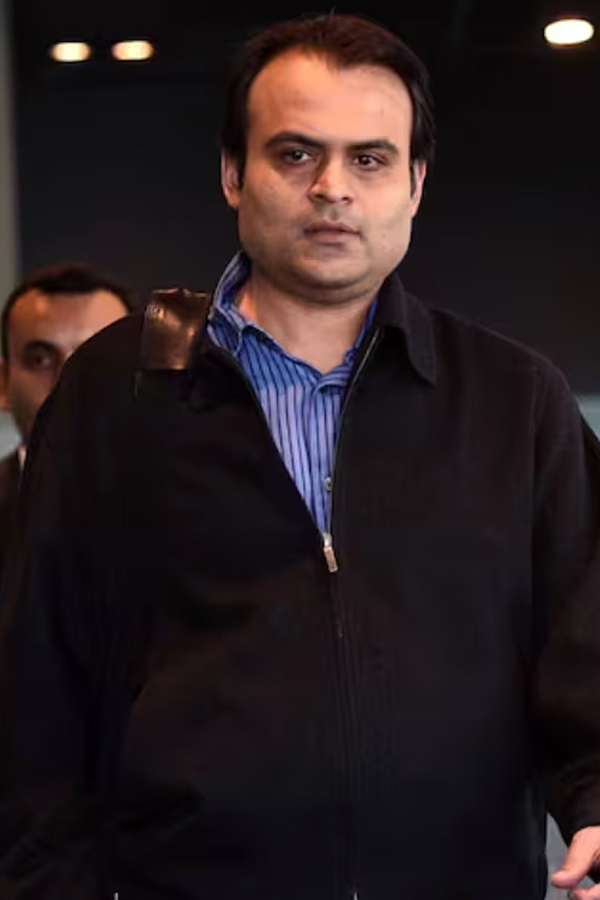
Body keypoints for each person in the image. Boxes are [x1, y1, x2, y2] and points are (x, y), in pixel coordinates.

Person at [0, 13, 599, 899]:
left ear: (415, 184)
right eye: (295, 153)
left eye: (370, 158)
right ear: (232, 173)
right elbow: (34, 696)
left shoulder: (517, 401)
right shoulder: (114, 395)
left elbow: (586, 643)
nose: (332, 188)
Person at [0, 263, 132, 583]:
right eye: (41, 359)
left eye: (97, 359)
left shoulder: (200, 514)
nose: (67, 383)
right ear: (3, 383)